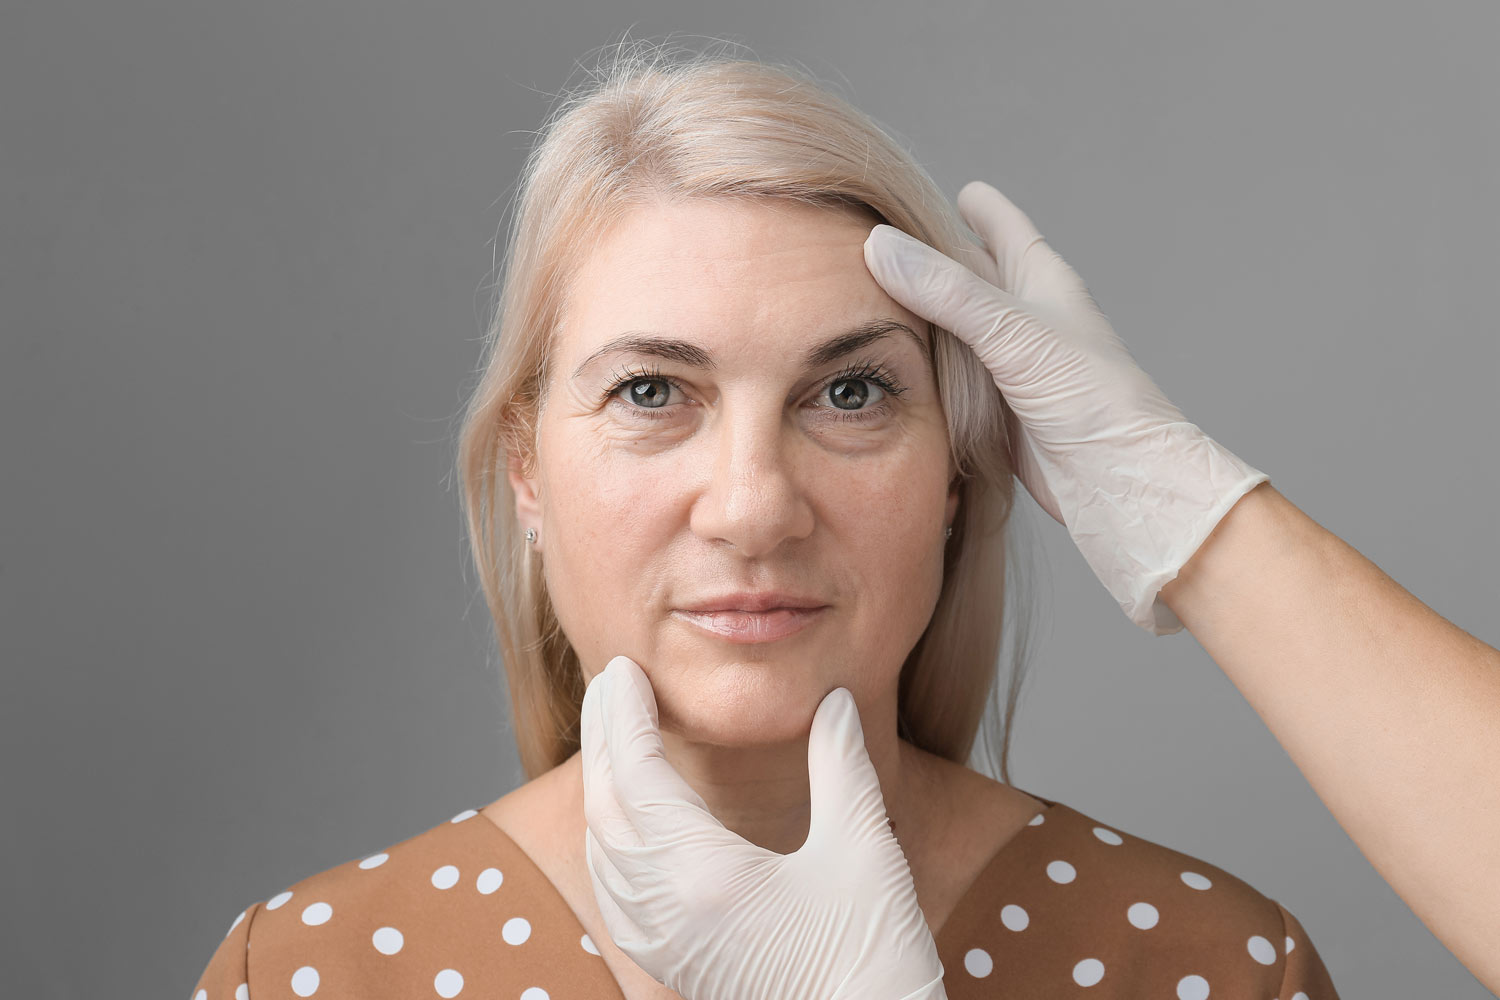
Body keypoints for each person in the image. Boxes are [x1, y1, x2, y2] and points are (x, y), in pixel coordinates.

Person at [191, 42, 1375, 999]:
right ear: (526, 472)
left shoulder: (1205, 967)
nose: (754, 505)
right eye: (652, 392)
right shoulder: (310, 973)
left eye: (849, 393)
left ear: (958, 472)